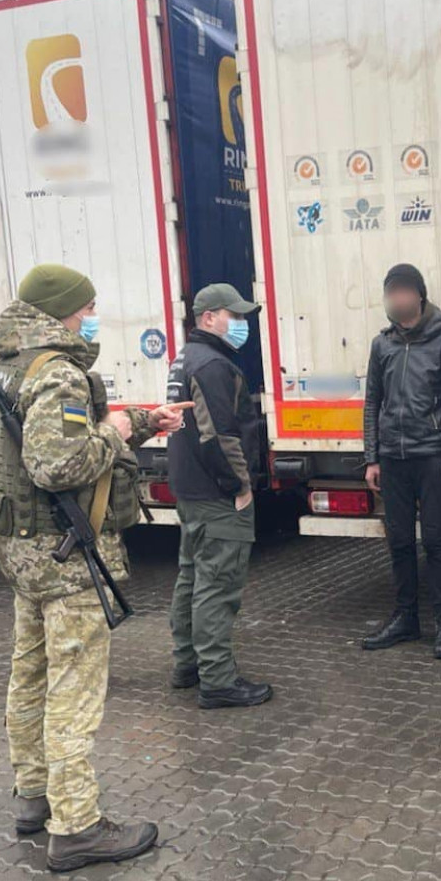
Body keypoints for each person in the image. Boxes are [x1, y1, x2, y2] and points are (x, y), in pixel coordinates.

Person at [0, 264, 188, 870]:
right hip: (64, 559)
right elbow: (58, 466)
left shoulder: (11, 363)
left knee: (30, 672)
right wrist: (118, 429)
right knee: (73, 690)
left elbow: (36, 449)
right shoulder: (58, 372)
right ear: (61, 311)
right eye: (87, 308)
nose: (92, 317)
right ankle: (77, 826)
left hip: (24, 554)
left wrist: (138, 422)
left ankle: (33, 796)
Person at [165, 283, 272, 709]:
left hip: (191, 488)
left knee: (191, 576)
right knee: (217, 586)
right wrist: (239, 487)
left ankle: (188, 664)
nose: (242, 324)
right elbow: (220, 436)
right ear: (209, 318)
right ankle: (218, 680)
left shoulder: (186, 357)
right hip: (216, 494)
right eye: (235, 316)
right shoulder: (212, 365)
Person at [361, 264, 441, 659]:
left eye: (402, 291)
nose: (395, 299)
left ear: (419, 296)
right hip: (393, 458)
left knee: (436, 541)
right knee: (400, 541)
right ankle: (406, 618)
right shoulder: (382, 345)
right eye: (390, 292)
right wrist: (372, 457)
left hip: (432, 456)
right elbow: (372, 401)